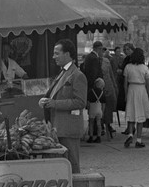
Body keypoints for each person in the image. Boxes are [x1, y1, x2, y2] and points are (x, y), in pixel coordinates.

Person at [38, 39, 87, 173]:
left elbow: (80, 102)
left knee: (72, 165)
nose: (54, 57)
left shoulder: (77, 75)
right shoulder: (62, 73)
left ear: (67, 54)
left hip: (68, 128)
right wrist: (46, 100)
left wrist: (54, 104)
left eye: (56, 53)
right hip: (57, 127)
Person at [123, 47, 149, 148]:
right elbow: (148, 84)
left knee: (131, 113)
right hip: (141, 90)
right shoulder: (145, 68)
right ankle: (139, 140)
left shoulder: (128, 67)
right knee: (141, 116)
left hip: (131, 89)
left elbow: (125, 83)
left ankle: (130, 134)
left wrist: (126, 95)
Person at [102, 48, 118, 138]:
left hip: (109, 86)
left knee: (109, 106)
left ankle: (108, 124)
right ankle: (102, 126)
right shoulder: (96, 61)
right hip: (100, 87)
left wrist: (114, 85)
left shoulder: (107, 61)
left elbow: (111, 74)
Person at [87, 77, 105, 143]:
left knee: (91, 123)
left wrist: (88, 110)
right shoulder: (102, 93)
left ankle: (91, 136)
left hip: (92, 108)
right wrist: (102, 111)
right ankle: (99, 136)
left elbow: (88, 102)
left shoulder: (91, 92)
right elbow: (103, 104)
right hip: (99, 109)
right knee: (99, 123)